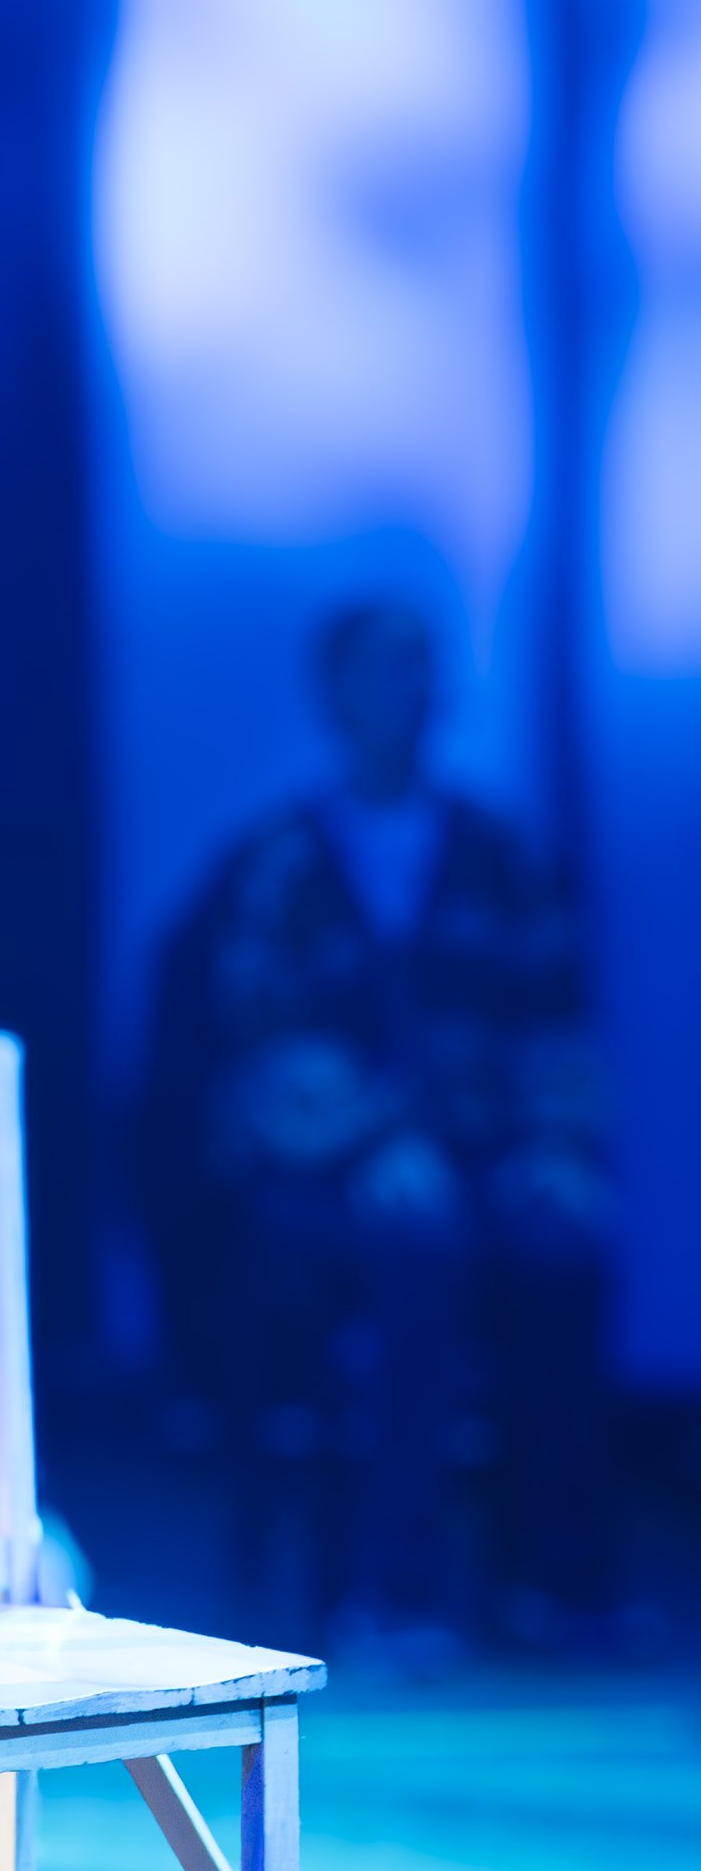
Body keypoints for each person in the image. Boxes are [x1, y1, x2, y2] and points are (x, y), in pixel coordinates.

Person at [141, 598, 614, 1655]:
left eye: (423, 665)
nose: (411, 686)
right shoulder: (280, 863)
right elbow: (252, 1037)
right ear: (339, 691)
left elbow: (552, 1011)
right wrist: (366, 1138)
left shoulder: (498, 853)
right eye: (387, 665)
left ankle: (556, 1576)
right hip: (327, 1169)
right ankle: (390, 1584)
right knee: (420, 1250)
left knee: (562, 1248)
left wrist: (554, 1143)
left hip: (488, 1148)